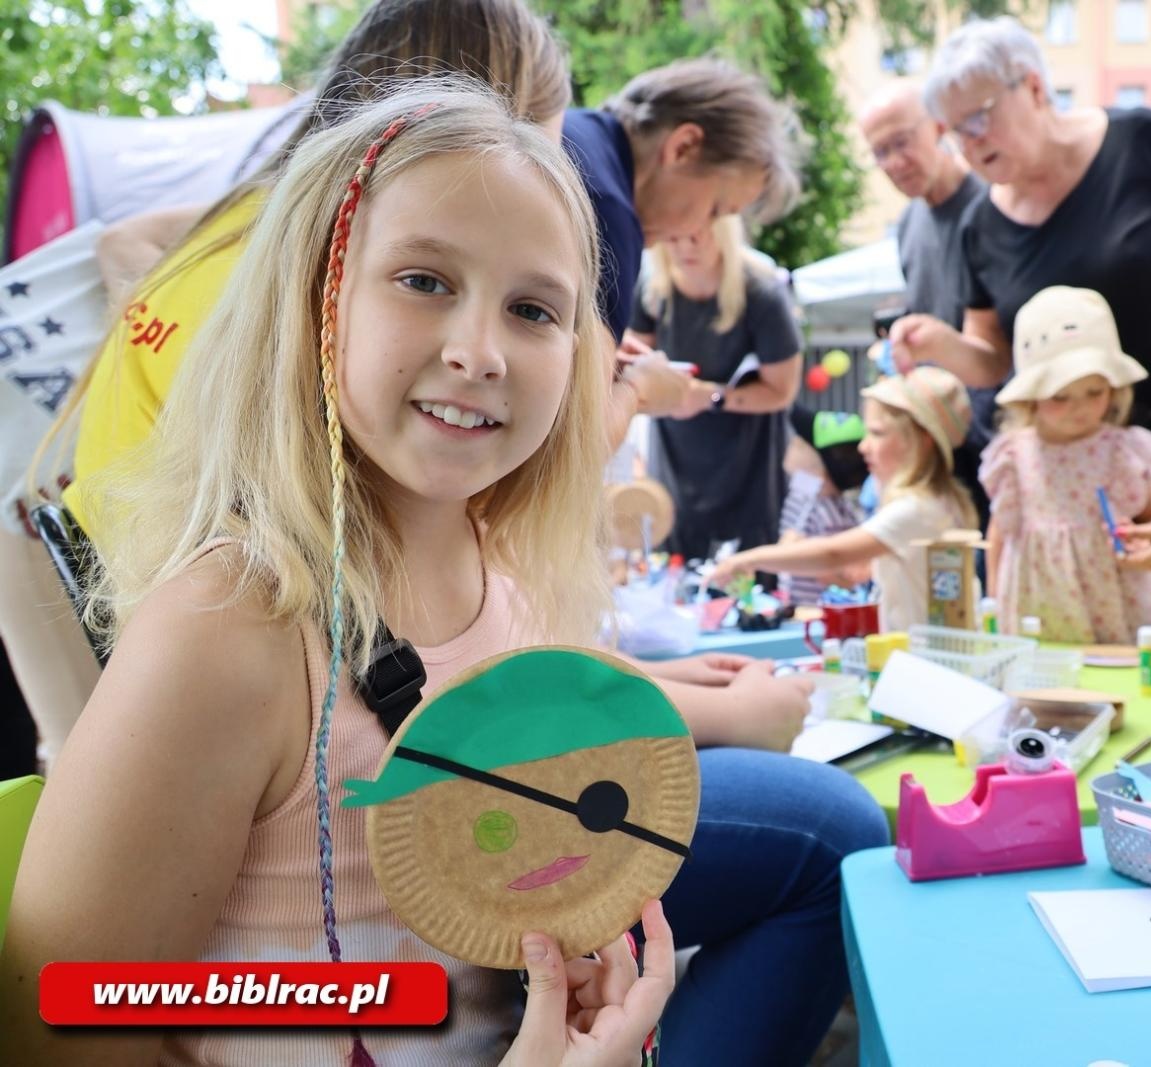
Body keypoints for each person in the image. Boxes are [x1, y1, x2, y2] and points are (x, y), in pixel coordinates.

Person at [3, 80, 672, 1067]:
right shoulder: (231, 628)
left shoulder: (517, 583)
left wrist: (558, 975)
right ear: (314, 296)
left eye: (533, 308)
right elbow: (62, 1026)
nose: (479, 350)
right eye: (423, 280)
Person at [57, 0, 699, 545]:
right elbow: (490, 527)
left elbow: (121, 243)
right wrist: (637, 393)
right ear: (476, 128)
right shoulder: (317, 282)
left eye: (528, 310)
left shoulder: (252, 224)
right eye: (540, 149)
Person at [894, 16, 1151, 632]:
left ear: (1036, 89)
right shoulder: (979, 228)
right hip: (1087, 463)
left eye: (979, 117)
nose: (968, 142)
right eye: (953, 131)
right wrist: (943, 347)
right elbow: (994, 358)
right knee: (1115, 622)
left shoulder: (1137, 139)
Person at [563, 57, 804, 444]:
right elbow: (579, 446)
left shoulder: (571, 132)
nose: (697, 232)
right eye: (714, 210)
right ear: (684, 146)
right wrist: (640, 391)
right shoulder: (611, 216)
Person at [709, 366, 978, 631]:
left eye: (878, 433)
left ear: (922, 441)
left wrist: (746, 560)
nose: (864, 446)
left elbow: (832, 554)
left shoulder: (916, 509)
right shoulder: (934, 503)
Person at [981, 287, 1151, 643]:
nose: (1079, 407)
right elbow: (1000, 531)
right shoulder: (1013, 455)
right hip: (1033, 598)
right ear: (1032, 396)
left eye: (1095, 392)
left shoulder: (1122, 449)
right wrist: (993, 599)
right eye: (1060, 396)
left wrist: (1141, 541)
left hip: (1110, 596)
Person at [858, 83, 995, 527]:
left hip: (997, 441)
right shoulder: (908, 224)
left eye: (901, 142)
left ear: (938, 126)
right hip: (938, 437)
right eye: (879, 152)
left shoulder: (991, 207)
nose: (894, 163)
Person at [628, 215, 802, 560]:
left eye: (696, 236)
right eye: (674, 238)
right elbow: (631, 360)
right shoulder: (652, 290)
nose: (685, 248)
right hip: (674, 462)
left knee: (745, 577)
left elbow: (782, 391)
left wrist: (708, 397)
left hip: (748, 465)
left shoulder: (762, 294)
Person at [778, 406, 869, 606]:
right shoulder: (803, 493)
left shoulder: (832, 514)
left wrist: (794, 554)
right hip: (794, 604)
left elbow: (839, 570)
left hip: (817, 609)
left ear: (820, 461)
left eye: (800, 442)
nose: (791, 444)